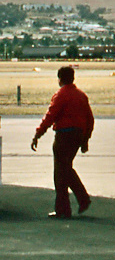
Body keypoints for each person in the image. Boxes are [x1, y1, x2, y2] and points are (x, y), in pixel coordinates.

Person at [31, 65, 94, 219]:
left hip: (64, 136)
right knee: (66, 169)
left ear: (60, 79)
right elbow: (90, 119)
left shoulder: (61, 95)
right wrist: (85, 139)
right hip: (78, 136)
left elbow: (50, 116)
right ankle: (81, 199)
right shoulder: (81, 96)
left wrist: (38, 134)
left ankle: (66, 208)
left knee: (60, 172)